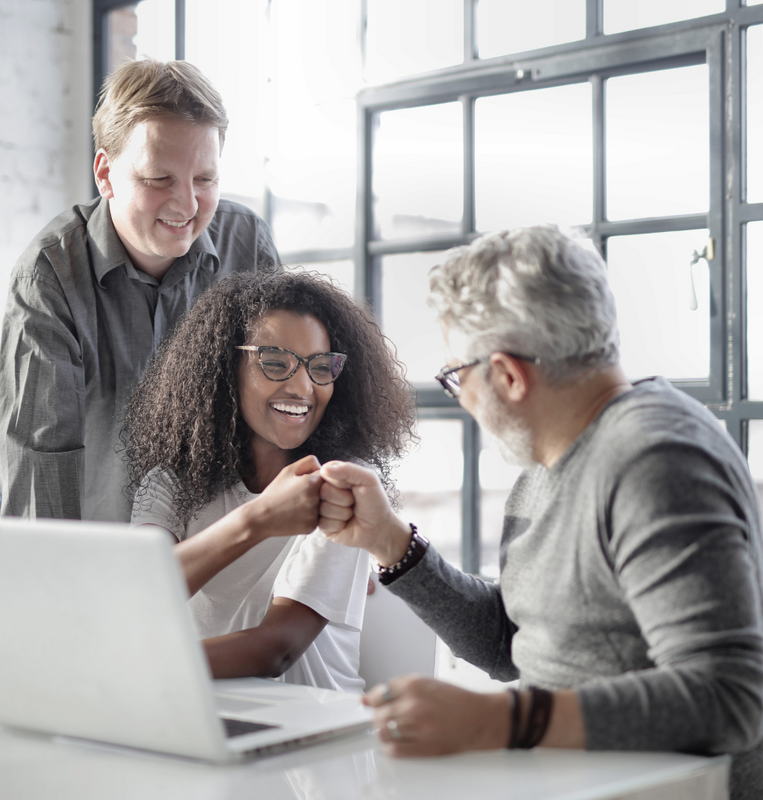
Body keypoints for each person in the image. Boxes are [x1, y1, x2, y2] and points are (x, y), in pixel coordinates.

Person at [317, 225, 763, 798]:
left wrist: (496, 722)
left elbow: (729, 698)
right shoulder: (550, 461)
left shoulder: (656, 461)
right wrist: (390, 542)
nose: (462, 397)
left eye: (457, 378)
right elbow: (513, 643)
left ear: (507, 375)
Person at [0, 58, 278, 522]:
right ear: (105, 175)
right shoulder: (48, 276)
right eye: (158, 179)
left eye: (205, 179)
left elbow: (286, 399)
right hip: (93, 533)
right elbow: (40, 465)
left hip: (210, 543)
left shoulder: (247, 246)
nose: (186, 204)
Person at [124, 269, 415, 691]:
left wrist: (134, 664)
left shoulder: (343, 487)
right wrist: (258, 518)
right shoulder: (169, 483)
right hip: (200, 713)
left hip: (315, 729)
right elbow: (139, 596)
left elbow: (276, 649)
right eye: (274, 362)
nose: (303, 387)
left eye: (321, 367)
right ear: (225, 368)